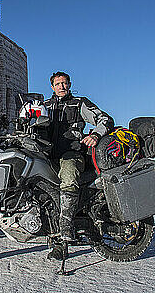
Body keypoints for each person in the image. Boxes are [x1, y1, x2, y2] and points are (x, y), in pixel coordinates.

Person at [44, 71, 113, 259]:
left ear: (69, 84)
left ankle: (66, 229)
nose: (61, 87)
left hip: (72, 154)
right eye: (58, 84)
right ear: (52, 87)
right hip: (47, 156)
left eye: (64, 83)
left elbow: (105, 119)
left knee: (67, 177)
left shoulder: (79, 103)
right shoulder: (45, 106)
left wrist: (95, 135)